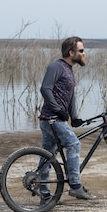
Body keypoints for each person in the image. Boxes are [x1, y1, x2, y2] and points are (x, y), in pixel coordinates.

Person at [39, 36, 95, 201]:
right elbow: (45, 88)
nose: (84, 53)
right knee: (73, 144)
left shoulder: (68, 69)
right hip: (51, 118)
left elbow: (70, 96)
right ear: (71, 52)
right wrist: (58, 109)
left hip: (54, 118)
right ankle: (76, 186)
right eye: (81, 50)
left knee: (47, 155)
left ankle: (45, 194)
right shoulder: (57, 67)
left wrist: (74, 116)